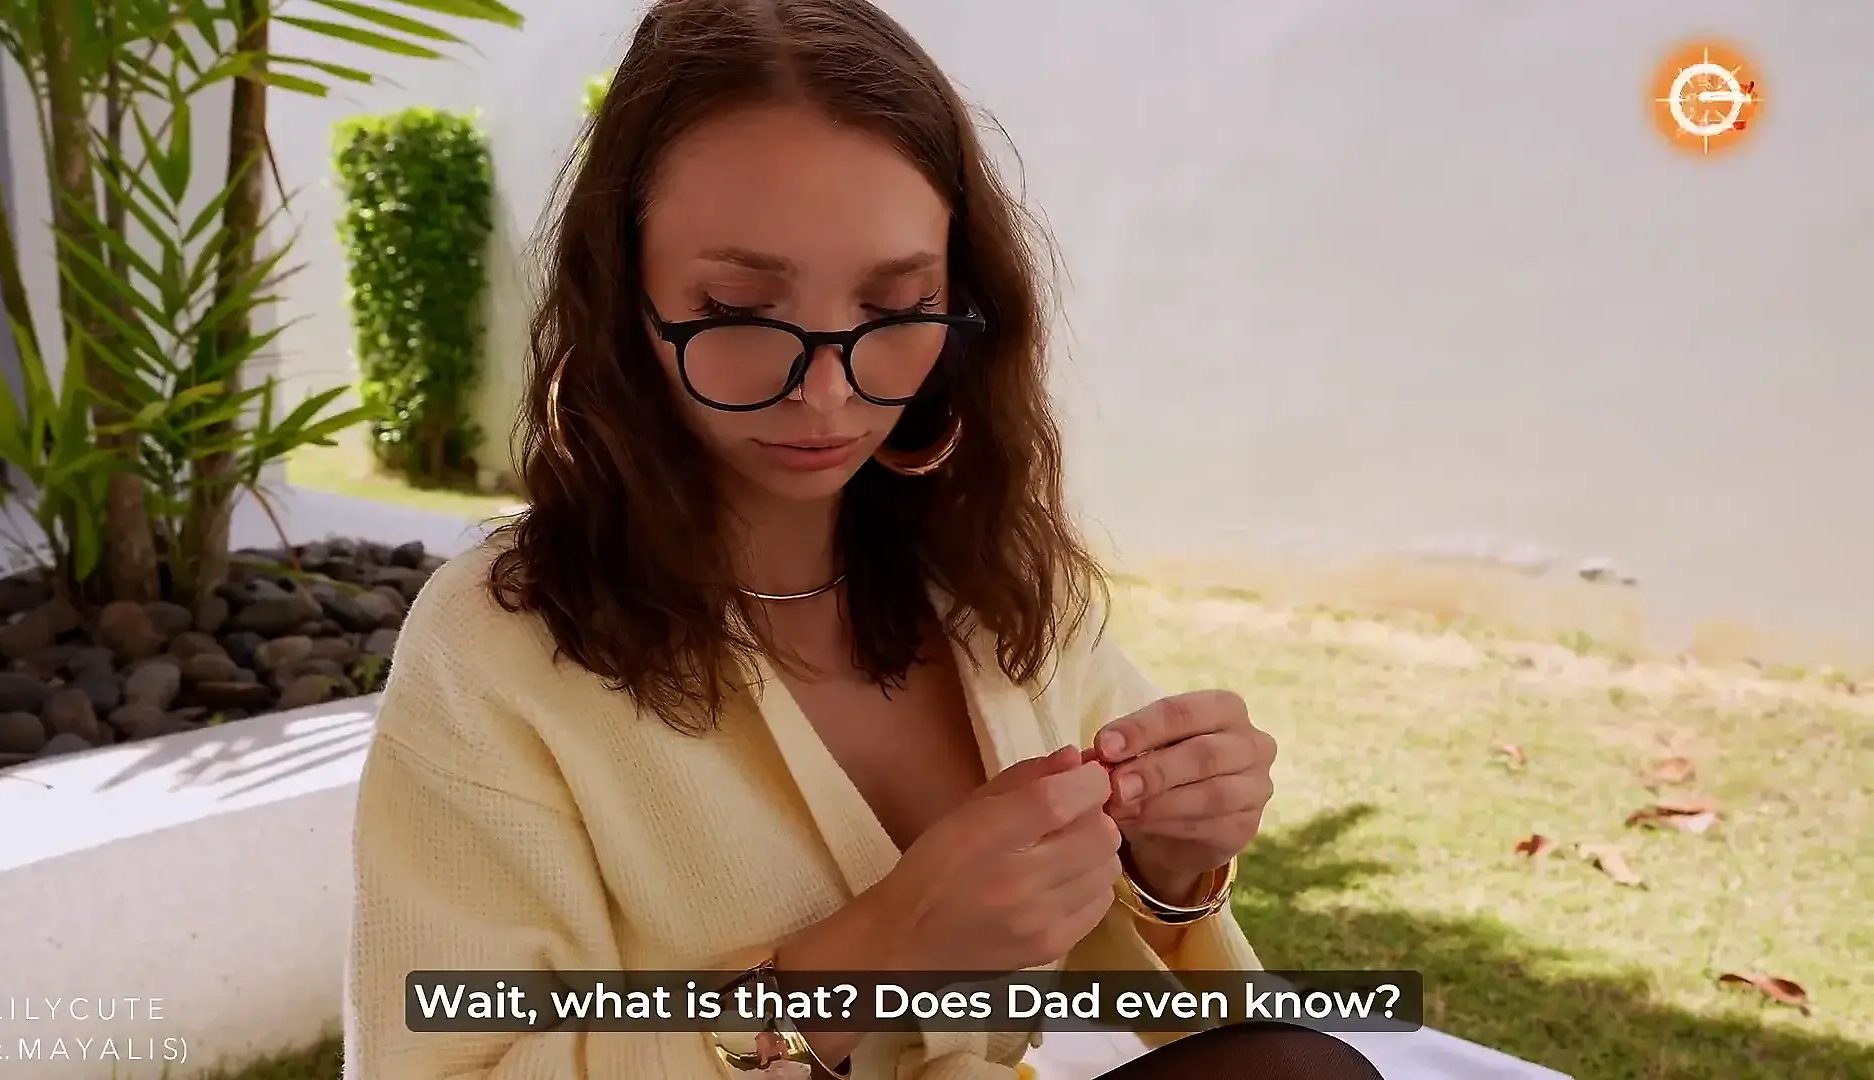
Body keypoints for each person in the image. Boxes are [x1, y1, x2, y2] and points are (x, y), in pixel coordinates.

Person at [344, 1, 1383, 1077]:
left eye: (895, 308)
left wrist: (1171, 870)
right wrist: (874, 954)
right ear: (622, 297)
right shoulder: (499, 646)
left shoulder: (993, 576)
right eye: (740, 310)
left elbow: (1193, 1007)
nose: (830, 393)